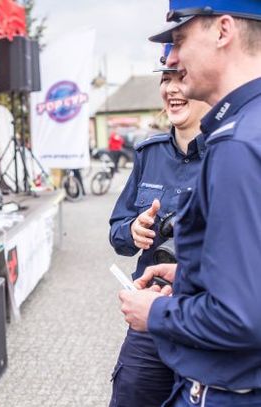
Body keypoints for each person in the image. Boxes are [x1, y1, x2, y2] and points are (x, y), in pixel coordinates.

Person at [119, 1, 261, 405]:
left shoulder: (237, 144)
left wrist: (154, 313)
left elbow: (242, 318)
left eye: (180, 39)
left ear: (223, 31)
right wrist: (192, 276)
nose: (173, 59)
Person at [108, 44, 210, 407]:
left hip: (203, 319)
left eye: (181, 77)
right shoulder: (148, 154)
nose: (171, 89)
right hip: (150, 316)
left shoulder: (229, 154)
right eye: (165, 79)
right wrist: (133, 229)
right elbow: (117, 234)